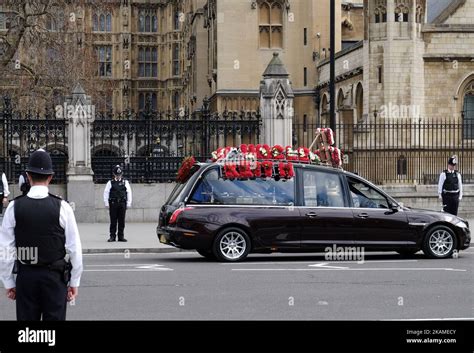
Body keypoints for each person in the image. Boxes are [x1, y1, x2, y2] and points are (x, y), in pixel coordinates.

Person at [0, 149, 83, 320]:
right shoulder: (63, 207)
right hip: (54, 278)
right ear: (50, 177)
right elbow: (75, 249)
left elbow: (5, 250)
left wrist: (8, 282)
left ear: (28, 176)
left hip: (26, 277)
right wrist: (74, 281)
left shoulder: (14, 207)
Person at [103, 165, 132, 242]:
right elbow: (106, 193)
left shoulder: (125, 182)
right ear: (114, 174)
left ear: (122, 174)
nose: (118, 176)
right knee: (113, 221)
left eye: (119, 175)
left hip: (122, 203)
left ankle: (121, 236)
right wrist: (106, 203)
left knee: (121, 220)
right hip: (113, 203)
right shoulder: (110, 182)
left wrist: (129, 203)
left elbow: (129, 192)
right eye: (117, 175)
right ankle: (112, 236)